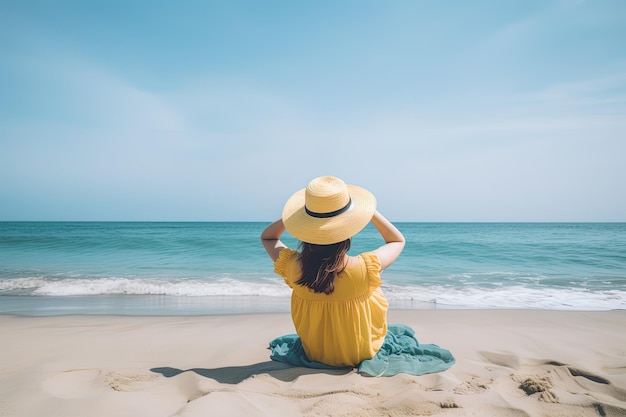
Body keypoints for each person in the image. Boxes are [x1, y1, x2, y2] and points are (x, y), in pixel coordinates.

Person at [261, 175, 405, 367]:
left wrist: (297, 217)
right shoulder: (364, 267)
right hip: (360, 353)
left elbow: (268, 237)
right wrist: (369, 212)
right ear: (346, 236)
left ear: (306, 233)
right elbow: (397, 240)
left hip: (316, 353)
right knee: (372, 288)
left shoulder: (292, 265)